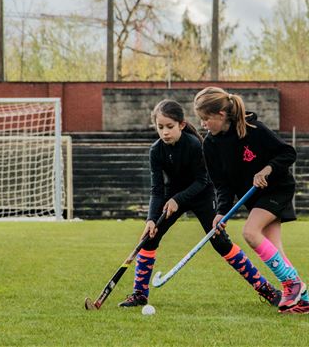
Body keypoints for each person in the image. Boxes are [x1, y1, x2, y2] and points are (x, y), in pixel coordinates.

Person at [118, 99, 282, 308]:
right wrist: (151, 219)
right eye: (160, 127)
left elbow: (202, 181)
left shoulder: (195, 145)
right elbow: (157, 189)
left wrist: (178, 199)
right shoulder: (156, 151)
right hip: (172, 196)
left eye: (170, 126)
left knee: (221, 242)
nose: (165, 132)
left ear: (182, 124)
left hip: (201, 195)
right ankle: (140, 294)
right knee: (149, 238)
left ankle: (266, 289)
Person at [193, 87, 309, 314]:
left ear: (221, 114)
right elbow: (222, 184)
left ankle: (292, 285)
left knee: (250, 232)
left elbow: (288, 153)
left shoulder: (254, 129)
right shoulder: (210, 145)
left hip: (277, 189)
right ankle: (305, 302)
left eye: (206, 119)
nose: (203, 125)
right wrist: (221, 212)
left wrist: (267, 169)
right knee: (275, 250)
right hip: (255, 198)